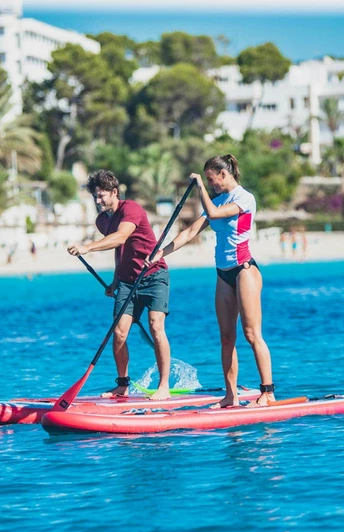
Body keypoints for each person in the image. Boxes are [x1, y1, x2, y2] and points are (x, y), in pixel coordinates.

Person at [147, 154, 275, 408]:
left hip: (244, 270)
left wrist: (199, 187)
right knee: (226, 338)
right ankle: (231, 395)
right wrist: (161, 252)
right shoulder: (217, 200)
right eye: (207, 180)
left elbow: (215, 214)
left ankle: (268, 392)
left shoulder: (244, 198)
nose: (210, 183)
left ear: (224, 174)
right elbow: (191, 231)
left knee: (251, 334)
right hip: (223, 274)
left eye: (211, 178)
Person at [67, 170, 171, 401]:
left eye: (102, 195)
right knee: (119, 332)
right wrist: (115, 281)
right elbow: (120, 250)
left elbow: (122, 237)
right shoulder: (102, 220)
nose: (97, 201)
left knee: (156, 326)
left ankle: (163, 387)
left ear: (115, 192)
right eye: (95, 196)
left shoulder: (131, 208)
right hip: (126, 281)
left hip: (154, 275)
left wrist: (87, 247)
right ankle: (122, 384)